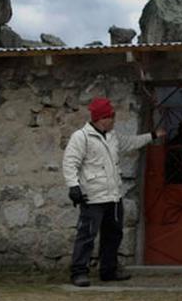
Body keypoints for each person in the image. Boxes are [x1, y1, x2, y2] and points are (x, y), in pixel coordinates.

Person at [62, 97, 165, 287]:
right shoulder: (81, 137)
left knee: (113, 235)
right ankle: (78, 272)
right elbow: (70, 162)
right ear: (103, 118)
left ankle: (108, 270)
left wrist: (152, 136)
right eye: (111, 117)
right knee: (87, 236)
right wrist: (74, 186)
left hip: (113, 195)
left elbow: (130, 142)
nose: (114, 120)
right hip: (92, 196)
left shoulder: (112, 136)